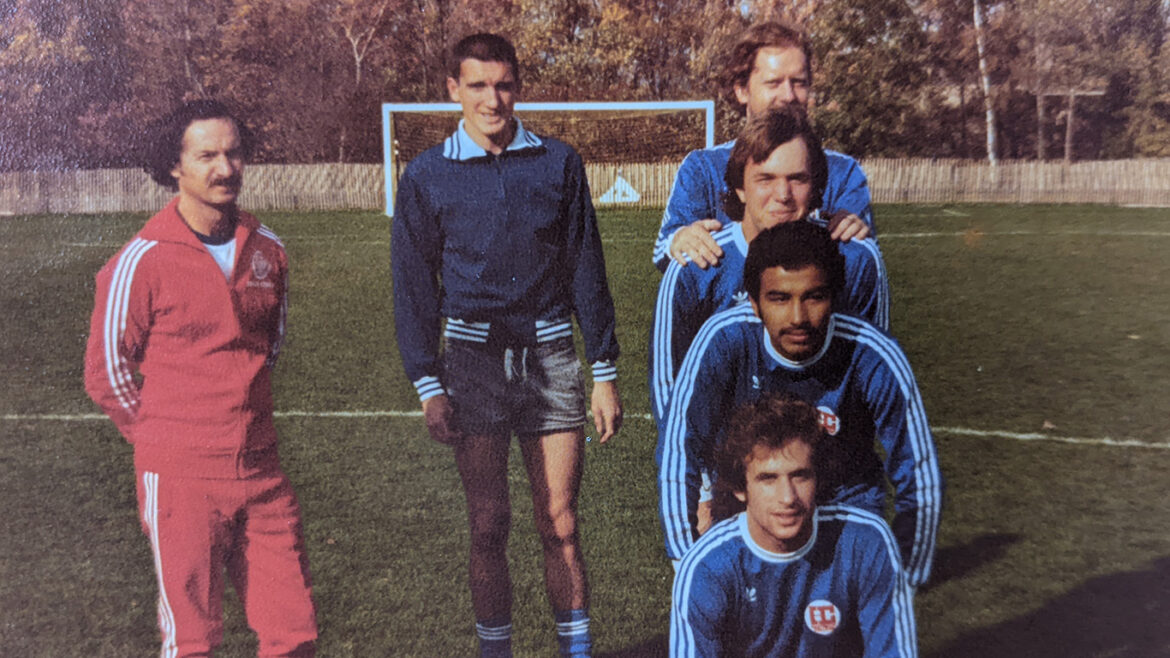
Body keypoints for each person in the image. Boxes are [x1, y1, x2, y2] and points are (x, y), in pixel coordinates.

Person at [390, 33, 622, 658]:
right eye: (477, 86)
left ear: (517, 86)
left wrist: (603, 370)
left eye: (504, 85)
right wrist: (428, 384)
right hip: (472, 365)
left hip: (551, 359)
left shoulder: (558, 162)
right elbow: (413, 287)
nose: (492, 100)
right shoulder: (427, 175)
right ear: (453, 90)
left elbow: (585, 267)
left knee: (561, 524)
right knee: (489, 526)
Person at [83, 100, 317, 657]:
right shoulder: (141, 260)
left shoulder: (268, 250)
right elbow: (106, 373)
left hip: (262, 473)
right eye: (207, 154)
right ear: (175, 166)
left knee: (295, 632)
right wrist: (168, 437)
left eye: (234, 153)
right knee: (191, 640)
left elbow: (269, 348)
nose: (225, 167)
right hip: (182, 478)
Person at [658, 220, 941, 589]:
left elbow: (917, 469)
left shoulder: (872, 352)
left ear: (835, 298)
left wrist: (904, 578)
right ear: (754, 302)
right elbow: (680, 447)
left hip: (843, 513)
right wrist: (685, 561)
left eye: (814, 296)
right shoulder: (724, 338)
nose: (798, 318)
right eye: (779, 298)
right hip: (749, 513)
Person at [650, 107, 889, 482]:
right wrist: (704, 491)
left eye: (798, 179)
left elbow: (871, 379)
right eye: (766, 179)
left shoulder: (854, 259)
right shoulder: (697, 265)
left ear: (816, 188)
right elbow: (670, 389)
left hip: (827, 477)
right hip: (732, 481)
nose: (783, 195)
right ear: (740, 187)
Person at [671, 394, 918, 657]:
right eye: (768, 479)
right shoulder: (709, 567)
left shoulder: (865, 542)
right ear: (740, 489)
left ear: (819, 478)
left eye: (800, 476)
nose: (788, 497)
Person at [653, 21, 873, 273]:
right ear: (742, 90)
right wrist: (678, 240)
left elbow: (863, 269)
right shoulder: (703, 168)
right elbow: (664, 252)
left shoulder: (844, 173)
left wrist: (857, 235)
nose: (789, 95)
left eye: (799, 82)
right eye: (774, 83)